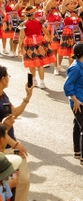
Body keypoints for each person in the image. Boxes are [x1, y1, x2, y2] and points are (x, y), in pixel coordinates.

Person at [0, 65, 32, 201]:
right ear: (3, 79)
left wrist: (27, 97)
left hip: (10, 145)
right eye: (8, 76)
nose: (9, 79)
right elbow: (1, 129)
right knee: (13, 184)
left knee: (22, 181)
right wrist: (15, 144)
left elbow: (15, 113)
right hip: (5, 148)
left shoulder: (3, 95)